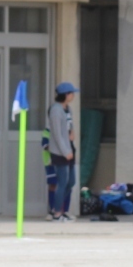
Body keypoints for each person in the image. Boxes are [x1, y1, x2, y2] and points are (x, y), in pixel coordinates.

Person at [46, 82, 78, 221]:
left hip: (69, 148)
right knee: (62, 182)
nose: (73, 95)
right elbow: (57, 134)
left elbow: (69, 127)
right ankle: (57, 212)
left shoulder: (68, 109)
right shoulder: (56, 110)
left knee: (71, 181)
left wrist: (72, 134)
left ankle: (58, 208)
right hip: (60, 152)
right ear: (65, 94)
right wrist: (65, 152)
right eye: (71, 93)